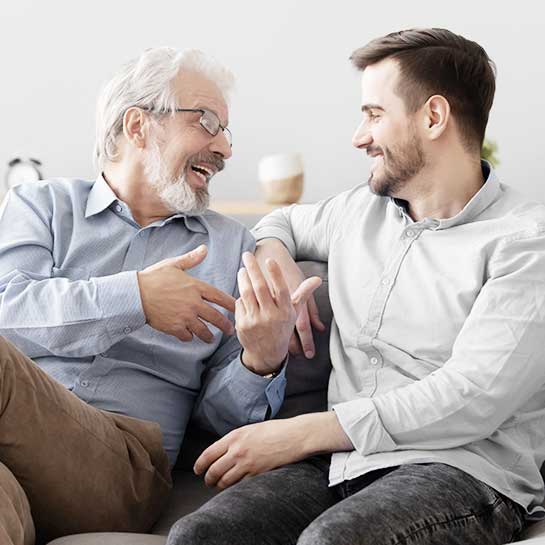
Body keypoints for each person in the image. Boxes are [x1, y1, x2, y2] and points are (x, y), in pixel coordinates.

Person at [167, 28, 545, 545]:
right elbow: (278, 224)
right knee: (201, 535)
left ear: (433, 117)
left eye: (373, 114)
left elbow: (473, 396)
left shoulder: (526, 242)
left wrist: (302, 432)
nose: (358, 136)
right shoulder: (356, 212)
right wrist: (281, 265)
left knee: (334, 542)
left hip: (462, 470)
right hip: (341, 464)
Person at [0, 47, 319, 545]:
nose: (226, 149)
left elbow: (221, 423)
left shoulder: (232, 246)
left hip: (121, 468)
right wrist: (136, 297)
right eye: (207, 122)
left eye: (225, 132)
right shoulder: (41, 206)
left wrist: (260, 360)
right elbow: (6, 311)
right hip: (16, 455)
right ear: (138, 125)